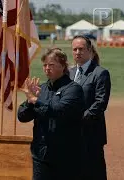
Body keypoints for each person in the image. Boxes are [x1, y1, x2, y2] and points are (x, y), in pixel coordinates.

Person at [17, 48, 85, 180]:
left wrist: (36, 100)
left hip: (66, 155)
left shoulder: (73, 89)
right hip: (41, 154)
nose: (47, 68)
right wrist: (29, 102)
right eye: (45, 65)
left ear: (63, 66)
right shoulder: (41, 89)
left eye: (51, 65)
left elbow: (58, 110)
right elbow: (22, 116)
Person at [70, 35, 111, 180]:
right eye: (74, 49)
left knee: (94, 172)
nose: (77, 52)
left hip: (91, 133)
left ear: (90, 51)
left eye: (81, 49)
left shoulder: (100, 73)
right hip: (70, 134)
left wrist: (80, 119)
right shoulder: (69, 73)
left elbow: (100, 102)